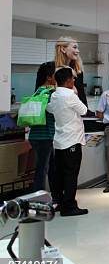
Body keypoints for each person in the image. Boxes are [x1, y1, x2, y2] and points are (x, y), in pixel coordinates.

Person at [46, 67, 89, 217]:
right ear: (68, 80)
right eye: (73, 78)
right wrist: (76, 93)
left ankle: (59, 202)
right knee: (71, 174)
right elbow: (83, 110)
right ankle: (69, 206)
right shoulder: (70, 95)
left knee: (60, 174)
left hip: (59, 140)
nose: (74, 80)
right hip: (72, 140)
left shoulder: (55, 95)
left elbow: (50, 109)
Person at [28, 62, 59, 202]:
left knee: (50, 169)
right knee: (42, 170)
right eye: (55, 74)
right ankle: (36, 201)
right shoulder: (49, 92)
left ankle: (55, 197)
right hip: (44, 136)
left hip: (38, 136)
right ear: (49, 77)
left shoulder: (37, 91)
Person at [55, 37, 89, 111]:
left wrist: (86, 110)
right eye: (75, 47)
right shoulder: (52, 69)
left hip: (78, 111)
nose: (78, 51)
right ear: (63, 49)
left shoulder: (78, 70)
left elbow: (81, 93)